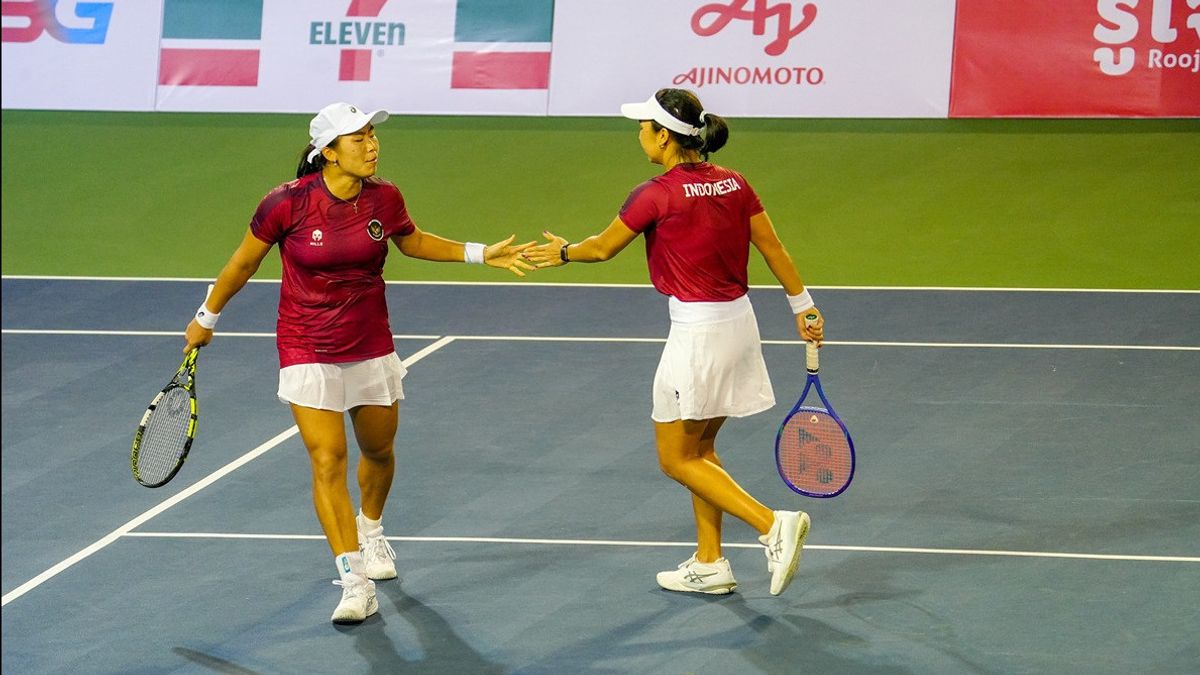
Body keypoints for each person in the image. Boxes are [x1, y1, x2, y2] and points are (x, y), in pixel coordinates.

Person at [183, 102, 533, 624]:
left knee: (379, 450)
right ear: (328, 152)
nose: (372, 146)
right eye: (359, 138)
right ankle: (354, 581)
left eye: (372, 135)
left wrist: (481, 253)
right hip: (305, 345)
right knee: (328, 461)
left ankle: (372, 531)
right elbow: (243, 262)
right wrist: (206, 317)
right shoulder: (286, 203)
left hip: (369, 343)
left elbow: (412, 241)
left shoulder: (384, 197)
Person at [523, 88, 825, 596]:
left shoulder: (654, 193)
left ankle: (773, 524)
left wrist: (566, 252)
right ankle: (710, 563)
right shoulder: (735, 182)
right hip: (740, 326)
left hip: (698, 336)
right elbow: (772, 247)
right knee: (701, 449)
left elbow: (602, 249)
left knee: (675, 458)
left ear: (664, 137)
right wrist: (804, 307)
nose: (638, 134)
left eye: (644, 127)